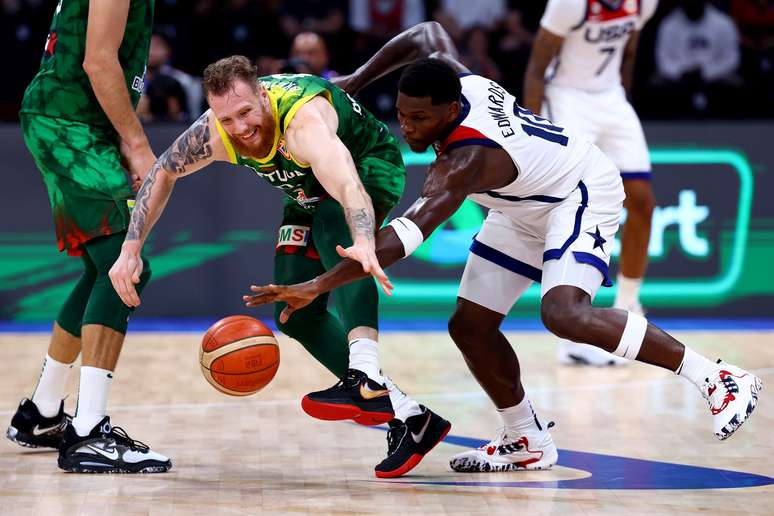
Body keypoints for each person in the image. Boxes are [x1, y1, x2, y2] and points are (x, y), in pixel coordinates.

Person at [244, 22, 762, 473]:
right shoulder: (458, 79)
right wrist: (356, 80)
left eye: (420, 119)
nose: (407, 127)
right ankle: (527, 440)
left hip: (578, 190)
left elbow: (409, 233)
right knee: (468, 325)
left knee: (565, 313)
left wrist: (319, 284)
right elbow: (426, 34)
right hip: (522, 202)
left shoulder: (465, 160)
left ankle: (716, 377)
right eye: (402, 115)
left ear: (451, 111)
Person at [108, 56, 450, 478]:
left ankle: (364, 372)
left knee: (335, 228)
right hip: (304, 187)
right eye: (227, 118)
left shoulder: (303, 121)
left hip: (366, 165)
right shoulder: (216, 131)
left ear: (263, 97)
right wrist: (131, 247)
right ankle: (410, 417)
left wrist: (364, 241)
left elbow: (345, 183)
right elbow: (163, 172)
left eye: (246, 112)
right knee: (293, 312)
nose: (239, 128)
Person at [6, 0, 171, 473]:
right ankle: (87, 432)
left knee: (104, 266)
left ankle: (42, 411)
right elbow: (97, 60)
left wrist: (118, 136)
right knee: (127, 266)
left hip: (75, 120)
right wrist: (137, 143)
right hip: (69, 121)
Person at [522, 0, 658, 366]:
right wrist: (532, 135)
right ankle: (574, 326)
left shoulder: (644, 3)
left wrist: (622, 100)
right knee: (576, 206)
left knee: (643, 200)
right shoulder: (569, 4)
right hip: (567, 98)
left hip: (611, 99)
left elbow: (629, 50)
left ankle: (629, 305)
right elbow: (536, 67)